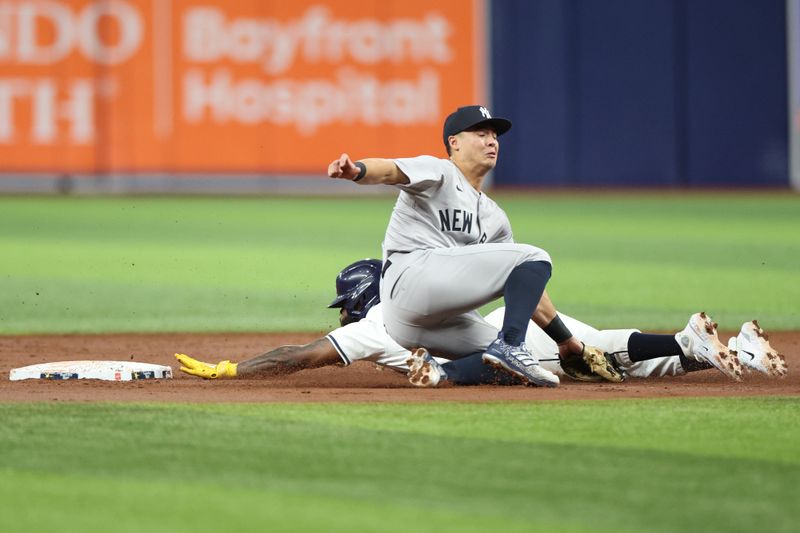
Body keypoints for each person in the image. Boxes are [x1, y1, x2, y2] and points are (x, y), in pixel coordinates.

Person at [326, 105, 623, 387]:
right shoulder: (439, 172)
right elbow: (391, 171)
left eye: (494, 136)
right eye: (481, 134)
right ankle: (510, 345)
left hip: (426, 323)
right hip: (409, 286)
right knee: (535, 257)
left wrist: (566, 341)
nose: (491, 141)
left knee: (526, 367)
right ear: (454, 142)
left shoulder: (495, 216)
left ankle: (440, 373)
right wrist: (357, 171)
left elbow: (525, 284)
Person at [176, 259, 787, 385]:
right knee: (602, 346)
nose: (347, 316)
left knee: (598, 360)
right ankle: (720, 349)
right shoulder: (424, 293)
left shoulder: (379, 322)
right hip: (513, 318)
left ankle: (693, 346)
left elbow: (300, 356)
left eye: (346, 304)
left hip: (495, 353)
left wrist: (234, 368)